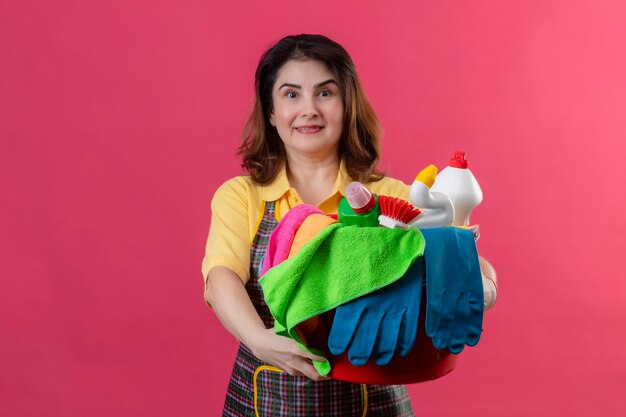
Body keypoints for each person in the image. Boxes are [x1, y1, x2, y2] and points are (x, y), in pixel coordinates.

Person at [202, 34, 497, 416]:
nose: (308, 109)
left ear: (347, 104)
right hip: (265, 401)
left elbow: (465, 257)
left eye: (325, 93)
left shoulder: (392, 198)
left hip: (373, 403)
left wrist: (484, 287)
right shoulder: (242, 196)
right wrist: (258, 339)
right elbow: (220, 276)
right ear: (271, 112)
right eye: (291, 95)